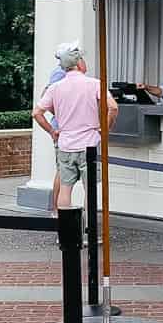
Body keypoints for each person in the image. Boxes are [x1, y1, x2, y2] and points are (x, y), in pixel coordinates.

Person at [33, 45, 102, 210]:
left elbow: (37, 112)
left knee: (66, 188)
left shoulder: (57, 86)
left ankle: (64, 233)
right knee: (89, 189)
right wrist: (104, 129)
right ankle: (88, 231)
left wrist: (53, 129)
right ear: (78, 63)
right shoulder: (93, 84)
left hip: (66, 141)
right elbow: (113, 108)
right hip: (88, 142)